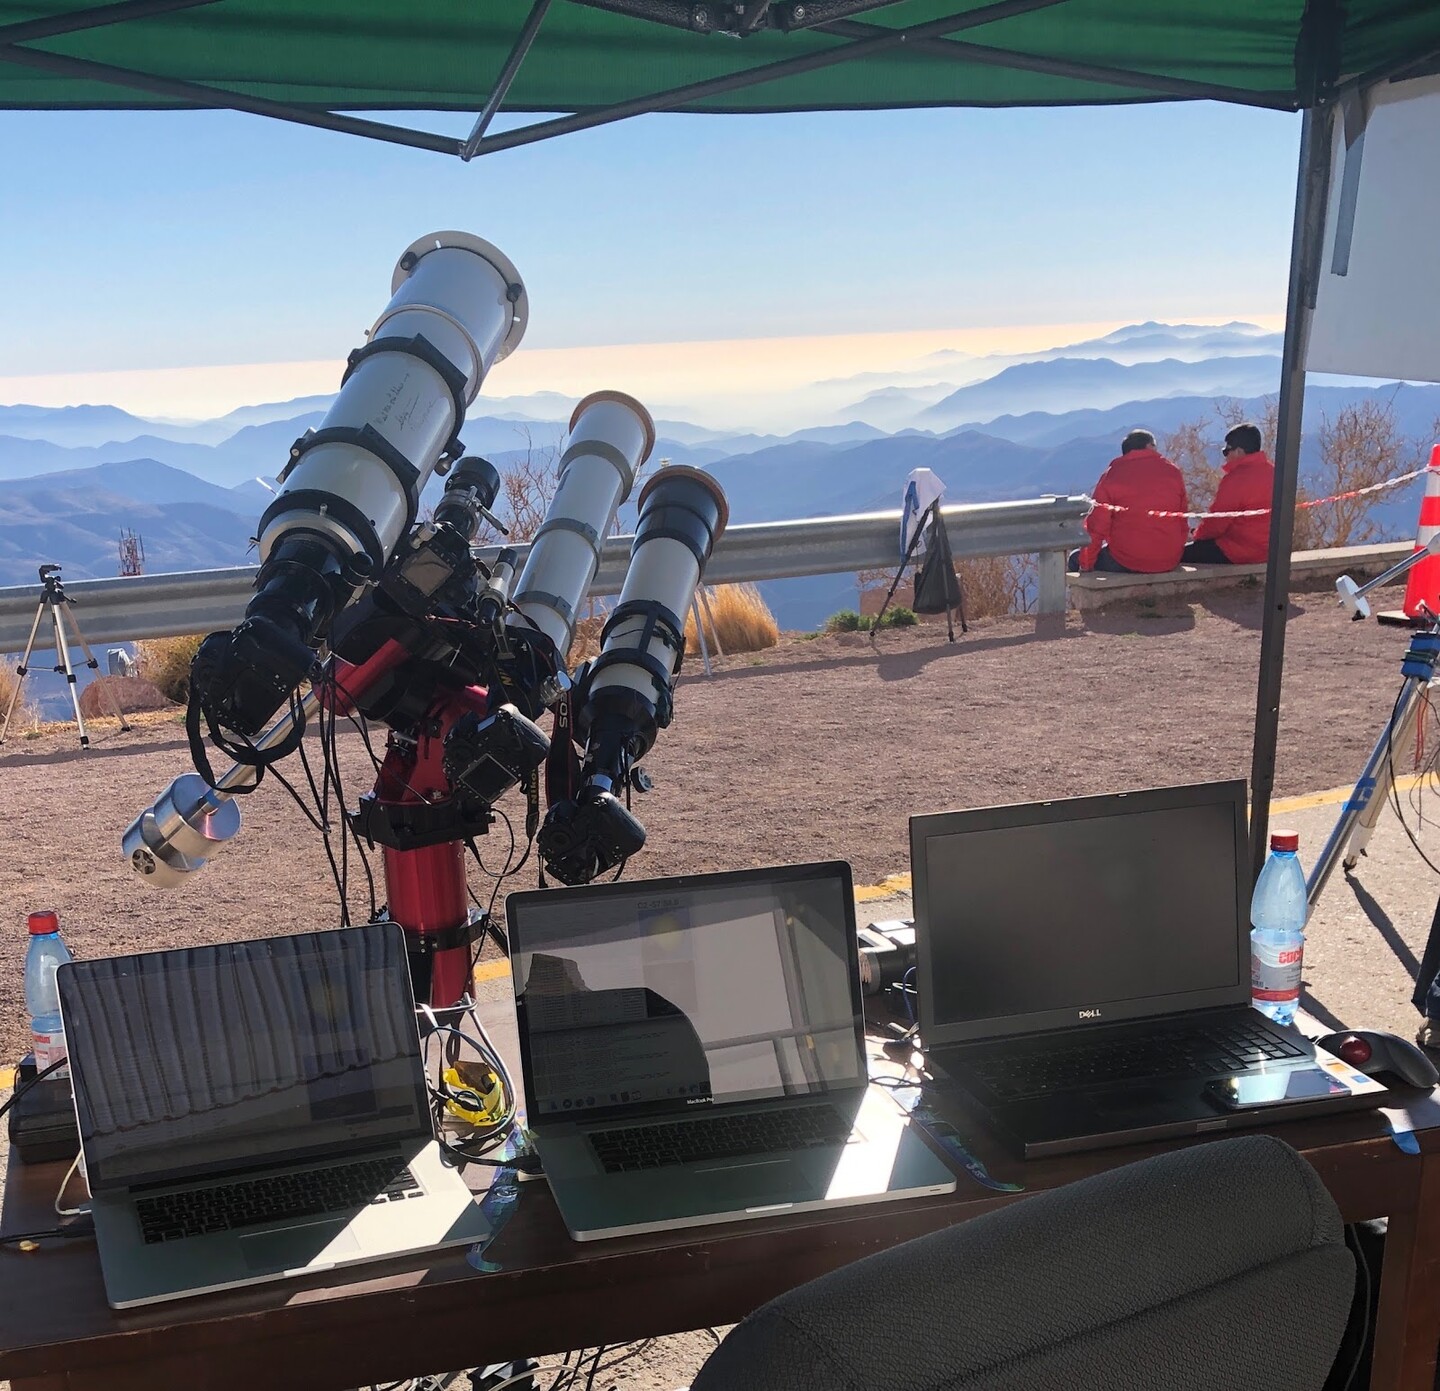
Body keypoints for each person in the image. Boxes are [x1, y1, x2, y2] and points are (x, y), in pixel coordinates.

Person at [1069, 429, 1189, 574]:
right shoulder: (1173, 472)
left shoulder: (1113, 475)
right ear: (1149, 446)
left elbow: (1097, 525)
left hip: (1127, 560)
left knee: (1074, 558)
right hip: (1169, 558)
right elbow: (1182, 519)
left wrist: (1086, 564)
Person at [1183, 423, 1275, 564]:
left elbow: (1217, 522)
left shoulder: (1236, 479)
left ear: (1238, 451)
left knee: (1176, 555)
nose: (1225, 456)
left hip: (1238, 550)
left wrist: (1196, 535)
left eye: (1226, 451)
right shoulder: (1274, 472)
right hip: (1270, 550)